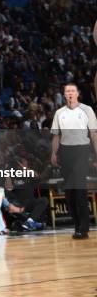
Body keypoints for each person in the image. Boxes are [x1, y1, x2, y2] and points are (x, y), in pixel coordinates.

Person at [51, 83, 97, 239]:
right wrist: (54, 153)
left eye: (72, 91)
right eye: (67, 91)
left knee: (79, 188)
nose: (70, 93)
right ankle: (77, 225)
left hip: (82, 151)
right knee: (69, 192)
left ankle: (84, 227)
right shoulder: (59, 113)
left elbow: (93, 134)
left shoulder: (87, 110)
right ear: (64, 95)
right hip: (65, 152)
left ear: (77, 93)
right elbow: (56, 136)